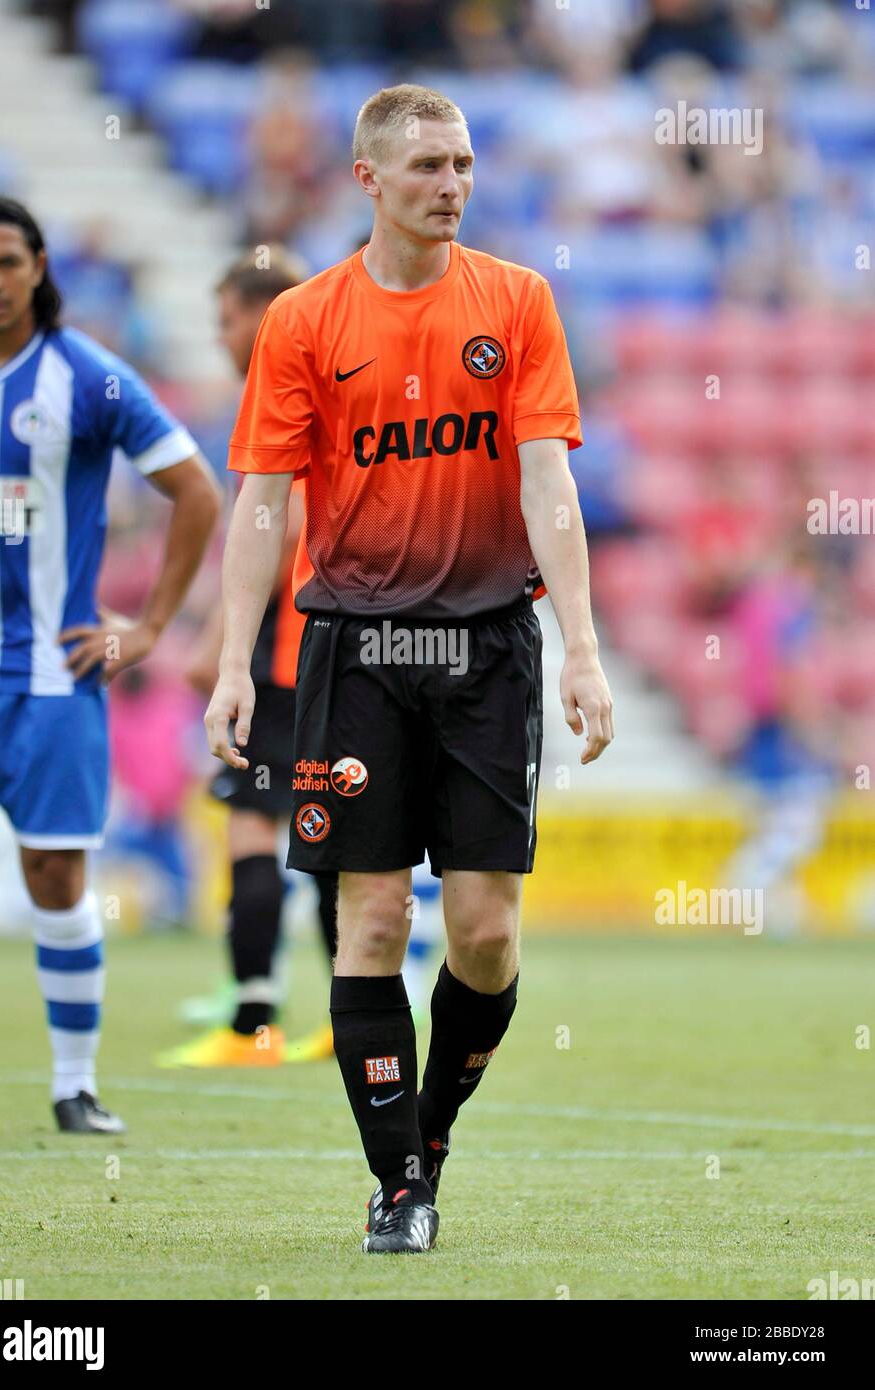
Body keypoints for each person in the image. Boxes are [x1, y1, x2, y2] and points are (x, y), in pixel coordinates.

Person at [205, 85, 613, 1253]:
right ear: (368, 179)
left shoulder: (519, 303)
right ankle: (397, 1187)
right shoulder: (302, 321)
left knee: (483, 935)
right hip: (355, 650)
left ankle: (424, 1142)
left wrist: (580, 647)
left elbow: (549, 486)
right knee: (369, 920)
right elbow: (262, 505)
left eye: (466, 163)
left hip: (488, 647)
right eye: (430, 164)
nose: (454, 184)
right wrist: (236, 663)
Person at [0, 196, 221, 1133]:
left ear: (38, 270)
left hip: (52, 680)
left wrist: (147, 629)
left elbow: (195, 490)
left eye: (7, 263)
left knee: (57, 875)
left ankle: (74, 1085)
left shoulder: (87, 378)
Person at [159, 247, 340, 1068]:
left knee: (253, 826)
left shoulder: (289, 384)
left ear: (259, 317)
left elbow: (288, 521)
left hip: (290, 648)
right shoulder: (337, 370)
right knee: (337, 833)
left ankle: (253, 1026)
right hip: (338, 642)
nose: (220, 335)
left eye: (225, 320)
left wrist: (217, 645)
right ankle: (351, 1012)